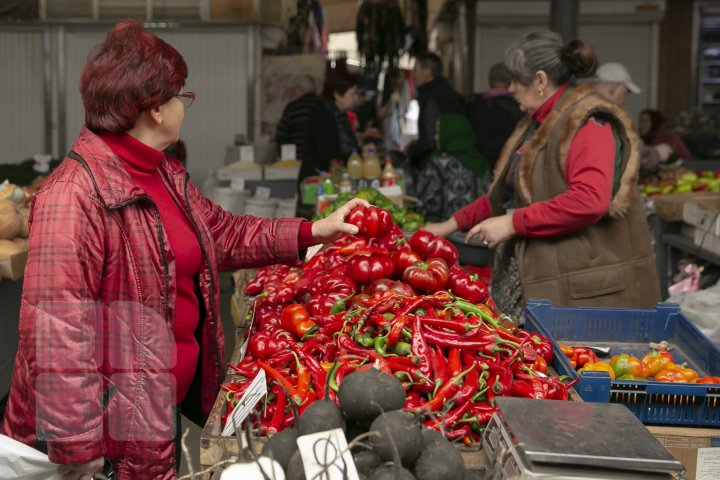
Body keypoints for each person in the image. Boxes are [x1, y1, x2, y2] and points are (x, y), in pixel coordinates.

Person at [1, 20, 367, 480]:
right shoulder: (72, 194)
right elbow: (55, 331)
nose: (183, 105)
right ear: (154, 108)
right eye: (181, 96)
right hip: (108, 429)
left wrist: (316, 230)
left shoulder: (165, 174)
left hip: (152, 408)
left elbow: (224, 232)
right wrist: (79, 446)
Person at [424, 31, 660, 320]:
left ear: (540, 80)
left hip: (584, 288)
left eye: (515, 80)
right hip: (543, 275)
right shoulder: (539, 122)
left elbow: (589, 201)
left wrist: (513, 223)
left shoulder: (589, 123)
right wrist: (449, 225)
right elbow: (506, 195)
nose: (509, 88)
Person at [589, 62, 674, 172]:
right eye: (624, 93)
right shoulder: (601, 116)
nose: (623, 101)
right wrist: (656, 153)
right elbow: (620, 154)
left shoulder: (583, 108)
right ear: (614, 88)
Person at [414, 113, 489, 222]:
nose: (435, 137)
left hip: (444, 231)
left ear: (448, 134)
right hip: (478, 231)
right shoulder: (481, 162)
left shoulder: (436, 164)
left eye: (438, 132)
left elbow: (423, 203)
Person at [301, 69, 359, 186]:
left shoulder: (341, 116)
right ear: (337, 94)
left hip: (333, 181)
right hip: (318, 184)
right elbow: (328, 157)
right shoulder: (323, 116)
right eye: (352, 94)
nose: (355, 98)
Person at [405, 52, 465, 164]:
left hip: (441, 164)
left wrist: (412, 151)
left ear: (428, 72)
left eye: (415, 70)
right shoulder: (445, 91)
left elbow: (429, 141)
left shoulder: (431, 98)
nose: (412, 75)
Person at [466, 63, 524, 170]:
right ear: (509, 81)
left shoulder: (477, 105)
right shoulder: (521, 105)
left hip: (484, 162)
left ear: (490, 80)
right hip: (511, 162)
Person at [275, 74, 321, 162]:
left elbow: (281, 136)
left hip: (296, 162)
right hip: (321, 161)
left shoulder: (292, 108)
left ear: (300, 89)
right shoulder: (324, 105)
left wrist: (284, 157)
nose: (293, 92)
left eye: (295, 89)